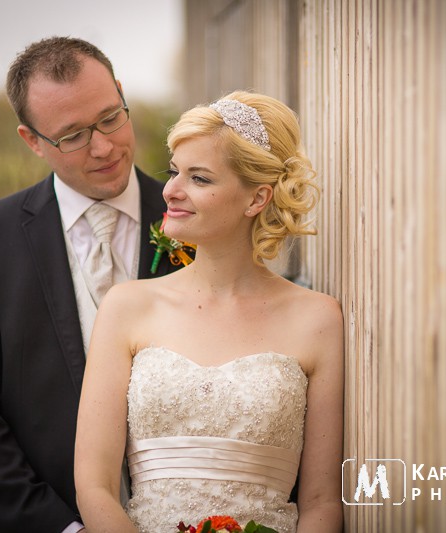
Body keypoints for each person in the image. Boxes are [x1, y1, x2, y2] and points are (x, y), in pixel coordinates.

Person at [0, 36, 180, 532]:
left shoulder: (195, 221)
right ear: (32, 141)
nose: (104, 146)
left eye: (111, 117)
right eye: (72, 135)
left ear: (119, 91)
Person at [74, 91, 344, 532]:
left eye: (199, 178)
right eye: (173, 171)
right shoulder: (127, 307)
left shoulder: (318, 320)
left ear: (256, 199)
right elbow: (94, 485)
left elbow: (321, 501)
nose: (170, 191)